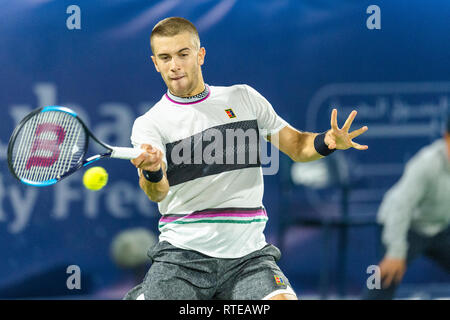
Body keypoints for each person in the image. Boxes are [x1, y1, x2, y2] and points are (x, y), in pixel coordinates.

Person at [124, 17, 368, 300]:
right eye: (165, 58)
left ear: (200, 55)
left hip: (248, 259)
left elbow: (299, 146)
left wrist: (327, 142)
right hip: (181, 259)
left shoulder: (244, 99)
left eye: (183, 54)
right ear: (155, 63)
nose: (174, 65)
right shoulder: (150, 124)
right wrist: (153, 170)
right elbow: (157, 192)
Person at [365, 115, 450, 299]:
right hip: (403, 226)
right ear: (446, 137)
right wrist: (395, 252)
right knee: (386, 278)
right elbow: (400, 206)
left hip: (440, 228)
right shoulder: (427, 164)